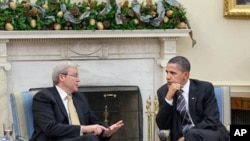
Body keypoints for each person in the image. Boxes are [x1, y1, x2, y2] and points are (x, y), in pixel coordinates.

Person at [30, 61, 124, 141]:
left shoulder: (79, 98)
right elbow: (50, 128)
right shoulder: (43, 97)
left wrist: (106, 132)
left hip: (79, 139)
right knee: (90, 139)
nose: (78, 80)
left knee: (91, 138)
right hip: (54, 139)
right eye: (75, 76)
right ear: (62, 77)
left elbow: (93, 122)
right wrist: (84, 129)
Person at [155, 56, 229, 141]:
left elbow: (211, 120)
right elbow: (162, 125)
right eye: (167, 72)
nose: (168, 77)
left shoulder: (204, 88)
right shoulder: (163, 92)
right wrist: (168, 98)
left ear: (186, 75)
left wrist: (187, 136)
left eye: (173, 73)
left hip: (209, 134)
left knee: (192, 135)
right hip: (181, 137)